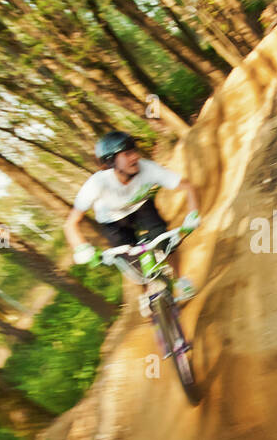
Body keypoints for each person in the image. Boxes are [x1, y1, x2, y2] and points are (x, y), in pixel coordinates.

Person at [65, 131, 200, 319]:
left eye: (134, 151)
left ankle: (181, 281)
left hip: (141, 207)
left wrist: (193, 214)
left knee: (167, 241)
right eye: (127, 154)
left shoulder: (147, 168)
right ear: (111, 161)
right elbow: (71, 224)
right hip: (112, 221)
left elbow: (187, 186)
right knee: (132, 263)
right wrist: (82, 248)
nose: (135, 156)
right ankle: (146, 293)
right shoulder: (97, 184)